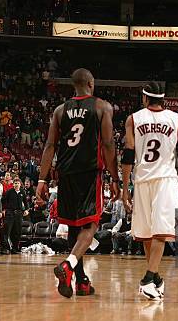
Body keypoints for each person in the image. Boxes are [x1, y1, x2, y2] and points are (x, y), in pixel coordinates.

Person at [36, 68, 119, 298]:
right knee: (90, 225)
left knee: (74, 225)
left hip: (65, 174)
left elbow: (49, 146)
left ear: (74, 86)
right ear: (91, 84)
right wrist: (115, 178)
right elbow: (109, 144)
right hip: (89, 172)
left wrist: (42, 179)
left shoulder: (60, 110)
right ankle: (68, 265)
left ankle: (81, 281)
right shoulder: (102, 107)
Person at [122, 81, 178, 301]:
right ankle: (150, 279)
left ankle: (153, 278)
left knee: (150, 232)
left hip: (142, 179)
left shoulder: (133, 119)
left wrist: (126, 188)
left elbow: (128, 155)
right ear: (163, 99)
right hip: (165, 179)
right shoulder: (176, 119)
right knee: (159, 232)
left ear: (145, 98)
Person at [2, 177, 28, 254]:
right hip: (10, 213)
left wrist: (26, 210)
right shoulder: (9, 192)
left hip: (19, 214)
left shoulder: (22, 192)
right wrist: (5, 209)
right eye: (15, 183)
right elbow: (3, 200)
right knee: (7, 231)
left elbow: (25, 202)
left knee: (17, 232)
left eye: (18, 183)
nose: (16, 184)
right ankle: (6, 248)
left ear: (20, 184)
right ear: (13, 184)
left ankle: (15, 248)